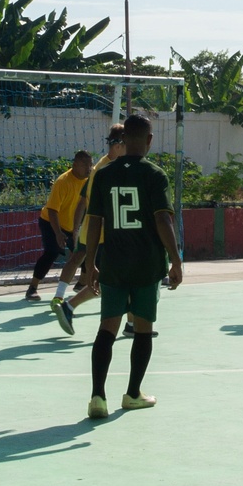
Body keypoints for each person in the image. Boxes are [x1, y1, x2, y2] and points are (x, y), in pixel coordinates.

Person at [79, 114, 182, 419]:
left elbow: (94, 221)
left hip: (113, 263)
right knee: (143, 329)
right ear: (149, 140)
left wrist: (89, 265)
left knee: (106, 329)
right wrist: (175, 260)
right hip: (146, 264)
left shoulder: (105, 175)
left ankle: (97, 397)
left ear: (123, 140)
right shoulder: (155, 175)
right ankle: (133, 393)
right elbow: (163, 219)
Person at [51, 124, 155, 337]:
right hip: (104, 234)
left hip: (105, 232)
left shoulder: (110, 166)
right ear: (118, 145)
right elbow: (102, 205)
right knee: (114, 279)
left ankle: (131, 324)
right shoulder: (106, 169)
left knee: (122, 277)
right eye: (127, 144)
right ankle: (69, 306)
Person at [24, 150, 93, 302]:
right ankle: (32, 288)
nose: (88, 168)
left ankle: (81, 284)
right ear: (74, 165)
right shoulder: (63, 182)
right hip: (51, 222)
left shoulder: (90, 180)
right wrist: (58, 233)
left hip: (72, 226)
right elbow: (52, 210)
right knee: (51, 252)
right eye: (84, 165)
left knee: (88, 252)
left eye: (90, 165)